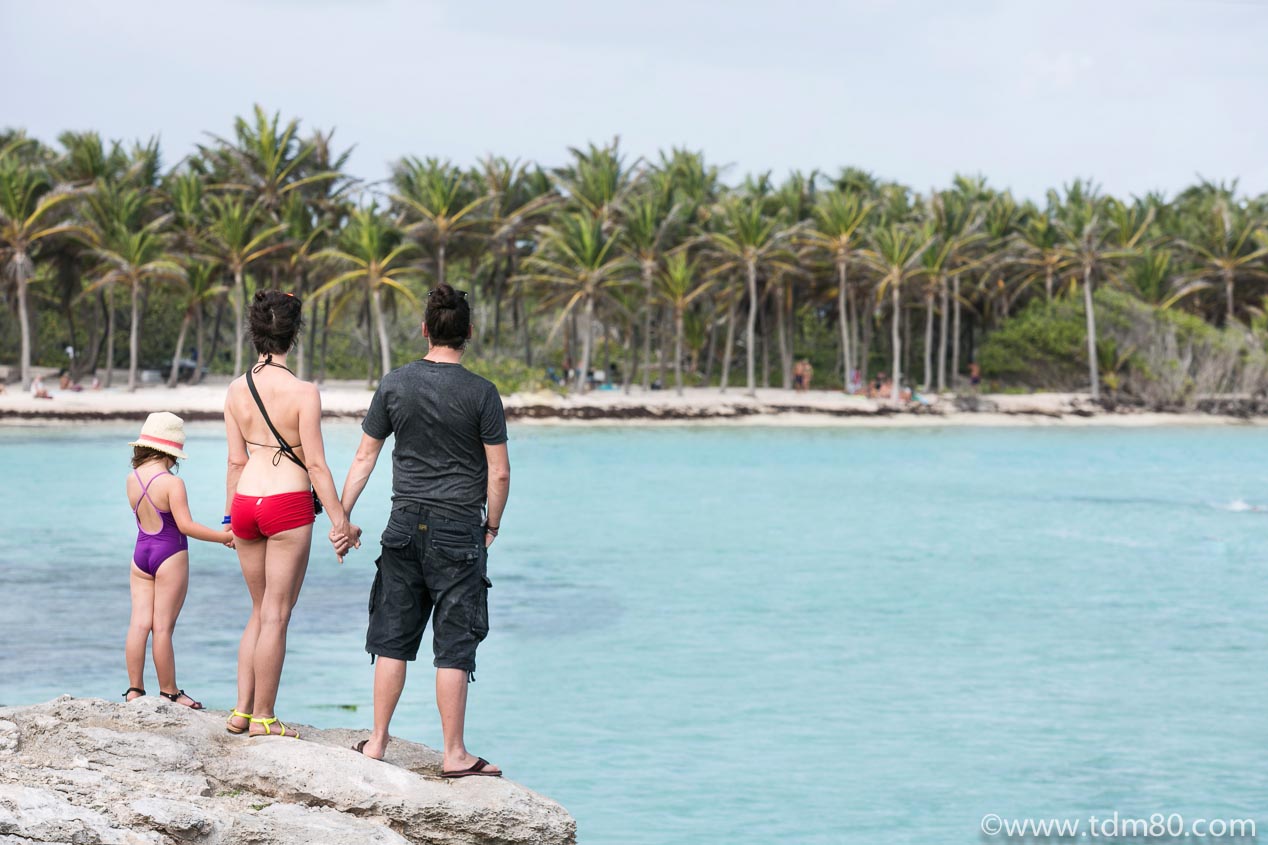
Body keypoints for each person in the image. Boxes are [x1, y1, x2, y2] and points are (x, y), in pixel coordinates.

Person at [337, 283, 510, 778]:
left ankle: (377, 741)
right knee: (454, 643)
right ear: (469, 333)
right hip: (459, 527)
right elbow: (498, 472)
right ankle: (454, 754)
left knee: (392, 635)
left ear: (425, 329)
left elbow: (365, 456)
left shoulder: (395, 384)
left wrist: (343, 518)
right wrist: (491, 524)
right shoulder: (482, 393)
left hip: (402, 524)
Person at [223, 290, 356, 739]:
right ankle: (264, 716)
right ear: (294, 335)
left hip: (245, 504)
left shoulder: (236, 390)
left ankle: (240, 711)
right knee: (277, 614)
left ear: (255, 332)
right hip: (286, 505)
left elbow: (235, 461)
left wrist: (229, 520)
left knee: (258, 610)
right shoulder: (304, 392)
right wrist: (340, 522)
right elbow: (315, 465)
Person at [122, 412, 234, 707]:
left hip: (140, 554)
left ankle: (134, 689)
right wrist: (224, 537)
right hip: (169, 554)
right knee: (163, 627)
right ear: (171, 451)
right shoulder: (172, 484)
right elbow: (186, 526)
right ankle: (170, 692)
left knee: (138, 624)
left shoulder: (132, 479)